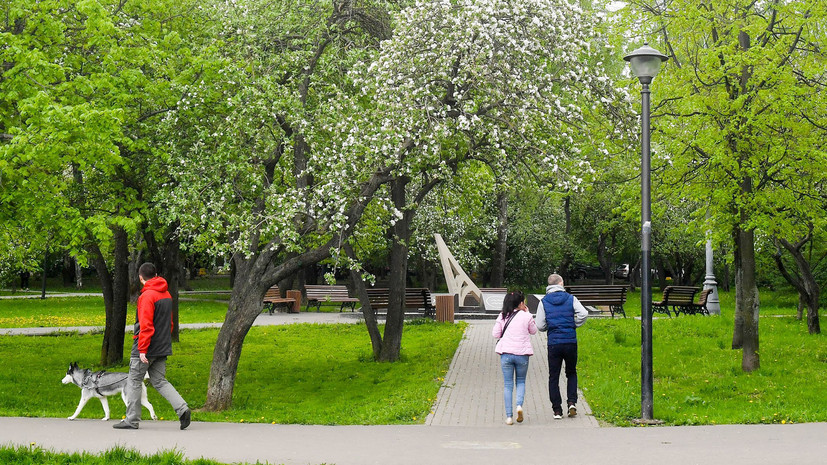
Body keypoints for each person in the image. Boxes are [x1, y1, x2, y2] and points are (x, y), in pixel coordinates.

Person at [114, 262, 191, 430]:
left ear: (141, 278)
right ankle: (182, 408)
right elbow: (170, 323)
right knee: (159, 381)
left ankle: (131, 420)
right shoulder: (167, 295)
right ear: (155, 275)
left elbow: (146, 325)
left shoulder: (147, 296)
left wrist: (142, 349)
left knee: (134, 380)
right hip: (163, 345)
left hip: (146, 347)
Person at [536, 273, 588, 419]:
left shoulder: (543, 301)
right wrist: (573, 325)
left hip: (554, 343)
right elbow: (584, 313)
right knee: (571, 372)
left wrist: (551, 327)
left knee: (554, 376)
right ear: (561, 283)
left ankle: (557, 410)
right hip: (570, 341)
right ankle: (572, 402)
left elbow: (539, 325)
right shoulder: (571, 299)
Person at [492, 291, 537, 425]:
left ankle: (509, 416)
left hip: (506, 354)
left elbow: (495, 334)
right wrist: (528, 314)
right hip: (522, 355)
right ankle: (519, 405)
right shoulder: (526, 316)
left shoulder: (502, 316)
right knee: (521, 381)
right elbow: (534, 331)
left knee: (508, 385)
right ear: (521, 303)